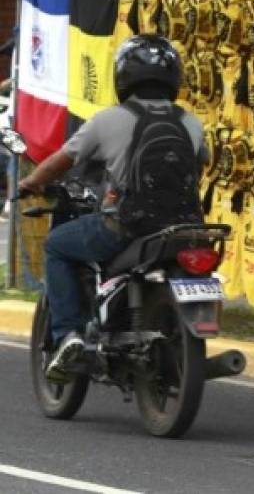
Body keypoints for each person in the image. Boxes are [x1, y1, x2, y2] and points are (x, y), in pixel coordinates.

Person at [18, 35, 206, 382]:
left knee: (58, 244)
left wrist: (29, 184)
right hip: (184, 230)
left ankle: (68, 336)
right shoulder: (192, 123)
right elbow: (201, 168)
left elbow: (61, 161)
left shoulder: (109, 120)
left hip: (127, 228)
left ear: (123, 76)